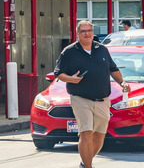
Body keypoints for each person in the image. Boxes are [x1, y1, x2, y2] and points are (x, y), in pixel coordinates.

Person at [54, 20, 129, 168]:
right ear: (78, 33)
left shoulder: (102, 49)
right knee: (86, 132)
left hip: (102, 99)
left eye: (89, 31)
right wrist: (72, 79)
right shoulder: (69, 52)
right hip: (80, 98)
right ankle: (88, 166)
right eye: (83, 31)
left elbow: (113, 69)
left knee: (99, 135)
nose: (87, 34)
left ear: (92, 32)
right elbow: (58, 73)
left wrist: (122, 83)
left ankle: (85, 162)